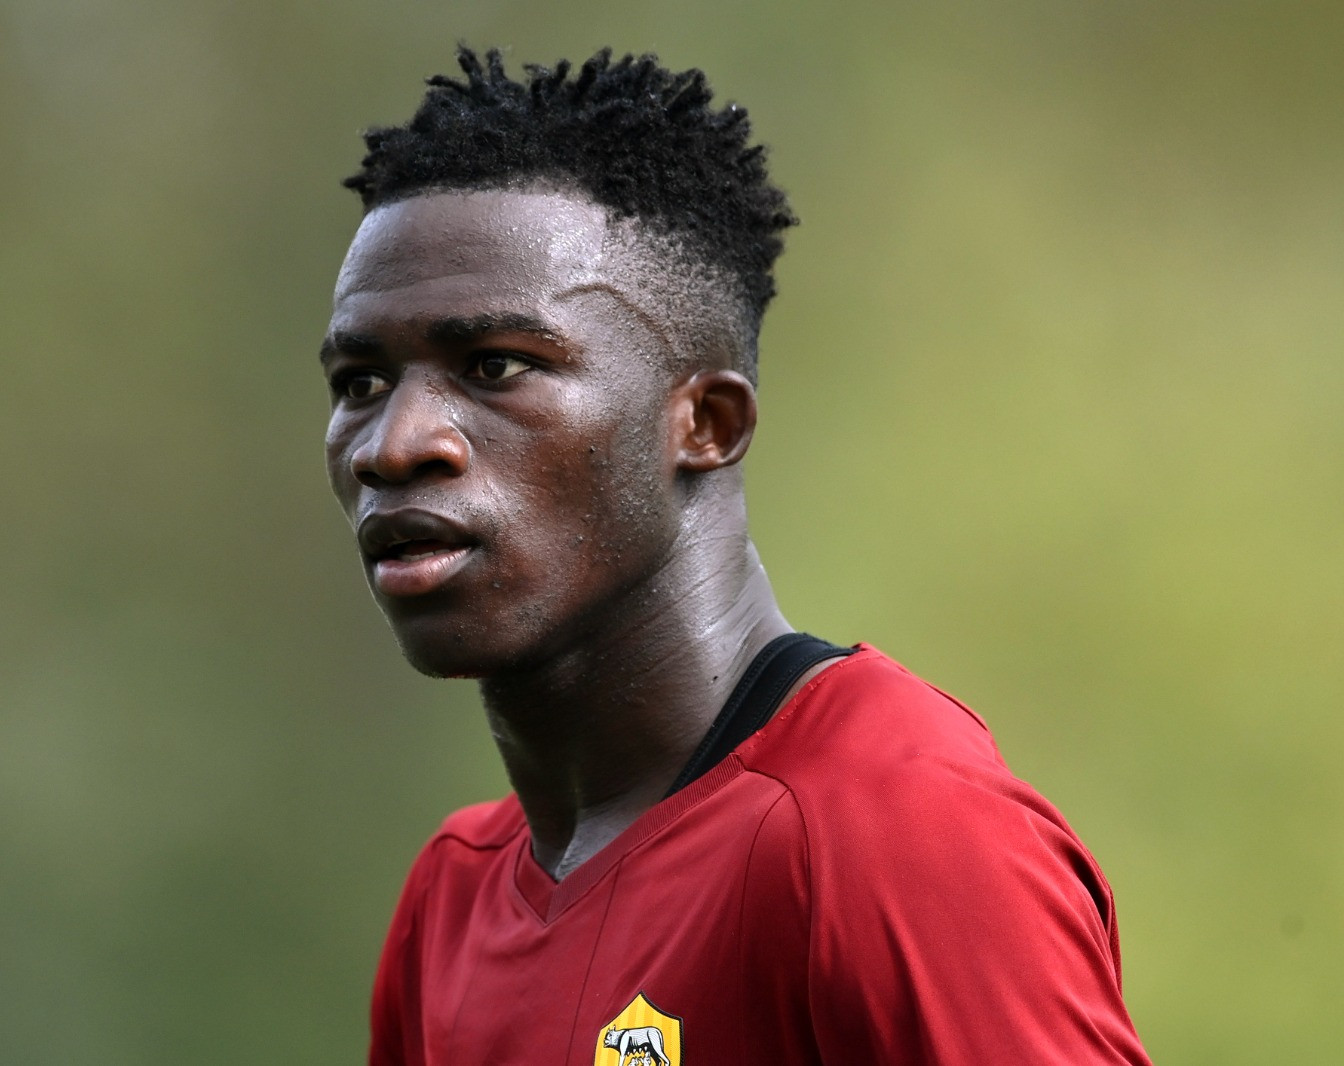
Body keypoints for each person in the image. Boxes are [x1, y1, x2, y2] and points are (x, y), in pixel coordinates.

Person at [321, 46, 1152, 1065]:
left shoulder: (894, 828)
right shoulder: (452, 897)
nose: (394, 443)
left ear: (705, 423)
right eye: (360, 382)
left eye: (496, 366)